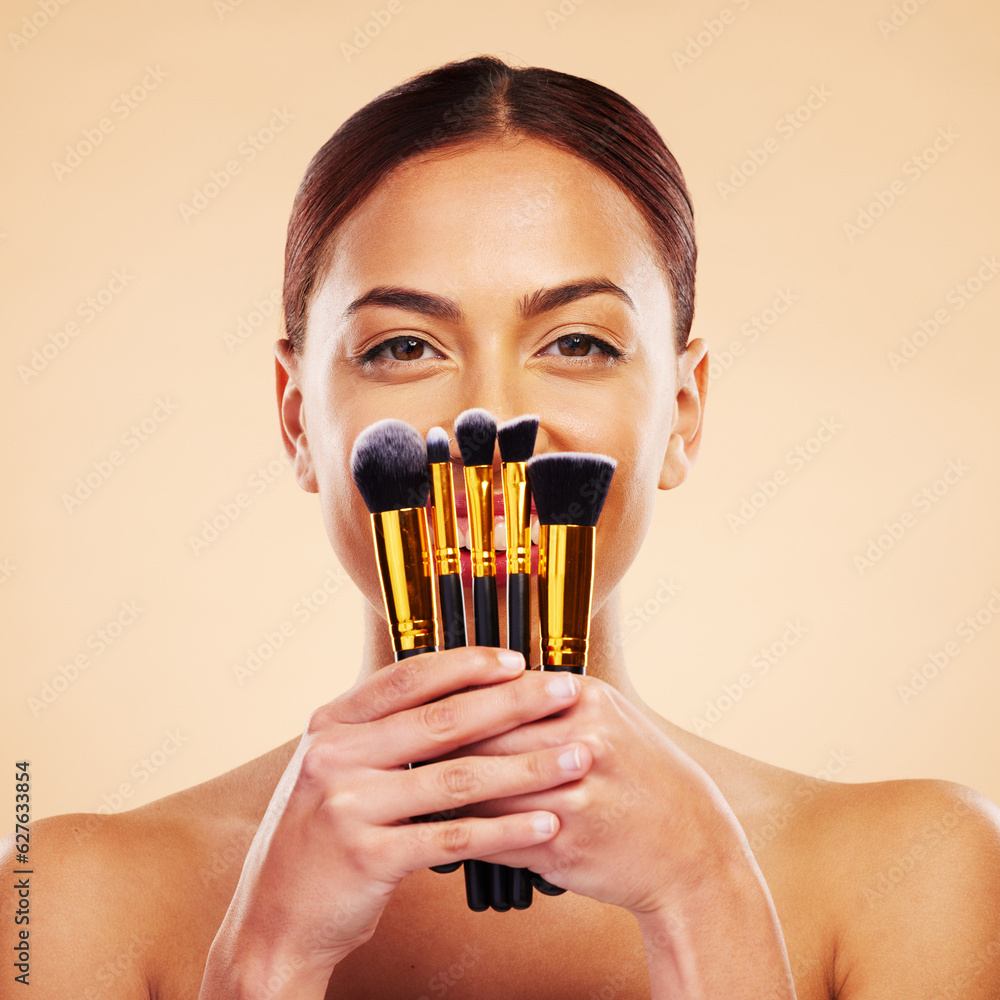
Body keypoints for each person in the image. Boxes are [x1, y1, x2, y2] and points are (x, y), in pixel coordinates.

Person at [8, 54, 1000, 1000]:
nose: (490, 417)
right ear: (297, 416)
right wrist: (268, 955)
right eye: (404, 345)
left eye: (576, 341)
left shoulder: (919, 870)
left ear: (682, 412)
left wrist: (706, 898)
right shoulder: (65, 901)